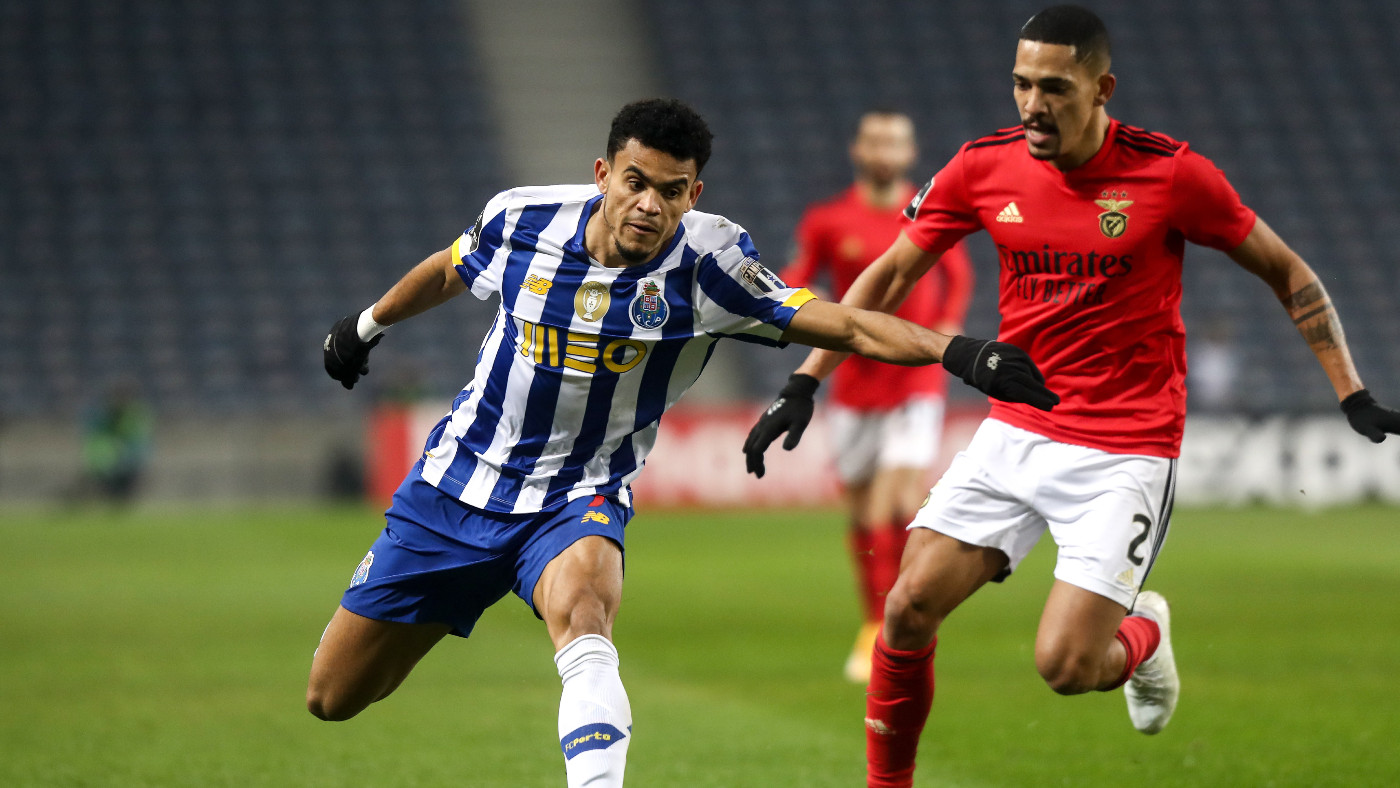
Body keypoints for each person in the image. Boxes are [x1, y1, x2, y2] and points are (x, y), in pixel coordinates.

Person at [307, 98, 1057, 788]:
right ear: (603, 174)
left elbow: (848, 323)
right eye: (636, 182)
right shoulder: (521, 219)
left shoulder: (710, 266)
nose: (649, 205)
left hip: (578, 494)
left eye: (671, 191)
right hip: (455, 486)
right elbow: (449, 268)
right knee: (333, 696)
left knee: (585, 612)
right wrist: (367, 326)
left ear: (693, 194)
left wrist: (960, 352)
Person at [741, 7, 1400, 788]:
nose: (1033, 104)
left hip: (1126, 447)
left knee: (1065, 665)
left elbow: (1286, 270)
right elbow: (887, 274)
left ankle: (1144, 634)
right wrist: (805, 380)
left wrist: (1351, 392)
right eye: (1021, 84)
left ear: (1101, 89)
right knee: (907, 605)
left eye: (1054, 87)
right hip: (1017, 427)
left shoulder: (1171, 174)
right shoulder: (982, 166)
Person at [779, 109, 974, 683]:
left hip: (914, 377)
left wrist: (946, 324)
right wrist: (805, 303)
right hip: (854, 379)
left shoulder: (928, 211)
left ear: (909, 153)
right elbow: (799, 273)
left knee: (895, 499)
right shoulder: (828, 219)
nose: (885, 152)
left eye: (895, 143)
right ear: (859, 150)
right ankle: (875, 621)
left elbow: (958, 274)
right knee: (864, 510)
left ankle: (898, 620)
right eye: (876, 142)